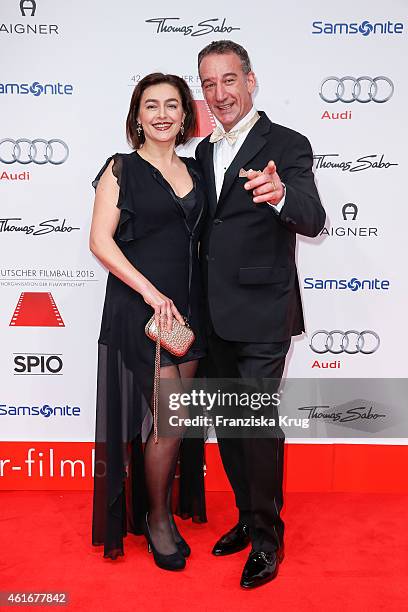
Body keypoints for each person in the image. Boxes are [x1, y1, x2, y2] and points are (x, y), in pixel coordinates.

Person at [196, 40, 326, 588]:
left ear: (251, 81)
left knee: (258, 428)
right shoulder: (202, 151)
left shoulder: (288, 144)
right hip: (211, 313)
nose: (220, 93)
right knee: (229, 426)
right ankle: (248, 520)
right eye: (208, 84)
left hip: (264, 311)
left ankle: (268, 542)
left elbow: (313, 217)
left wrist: (277, 196)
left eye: (229, 80)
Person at [90, 73, 207, 570]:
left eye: (173, 105)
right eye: (151, 105)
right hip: (141, 307)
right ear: (137, 115)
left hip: (189, 309)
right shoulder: (120, 169)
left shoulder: (199, 171)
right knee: (169, 419)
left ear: (185, 116)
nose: (162, 114)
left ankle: (155, 509)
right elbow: (100, 241)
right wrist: (150, 293)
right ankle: (158, 519)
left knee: (175, 426)